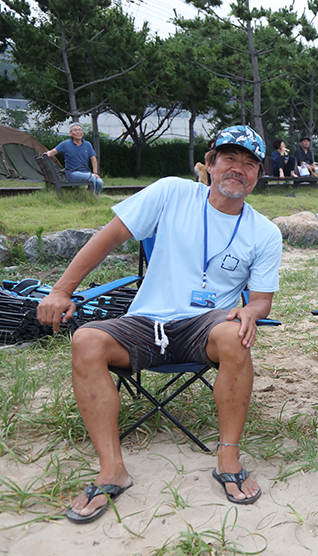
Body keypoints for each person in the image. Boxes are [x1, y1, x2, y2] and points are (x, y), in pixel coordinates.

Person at [37, 125, 283, 523]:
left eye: (250, 163)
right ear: (210, 163)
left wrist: (250, 314)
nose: (238, 169)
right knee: (86, 340)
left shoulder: (265, 232)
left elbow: (261, 301)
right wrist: (61, 291)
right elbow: (110, 236)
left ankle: (228, 457)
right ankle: (111, 468)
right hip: (146, 321)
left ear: (258, 175)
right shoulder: (173, 193)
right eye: (230, 159)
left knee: (235, 335)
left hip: (204, 327)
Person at [45, 123, 104, 196]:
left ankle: (94, 198)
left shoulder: (87, 144)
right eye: (75, 130)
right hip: (71, 173)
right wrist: (48, 153)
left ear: (82, 133)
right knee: (91, 177)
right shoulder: (65, 144)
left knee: (100, 182)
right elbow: (53, 152)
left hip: (86, 173)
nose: (78, 132)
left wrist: (95, 172)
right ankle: (91, 199)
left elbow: (93, 158)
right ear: (70, 133)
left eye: (79, 130)